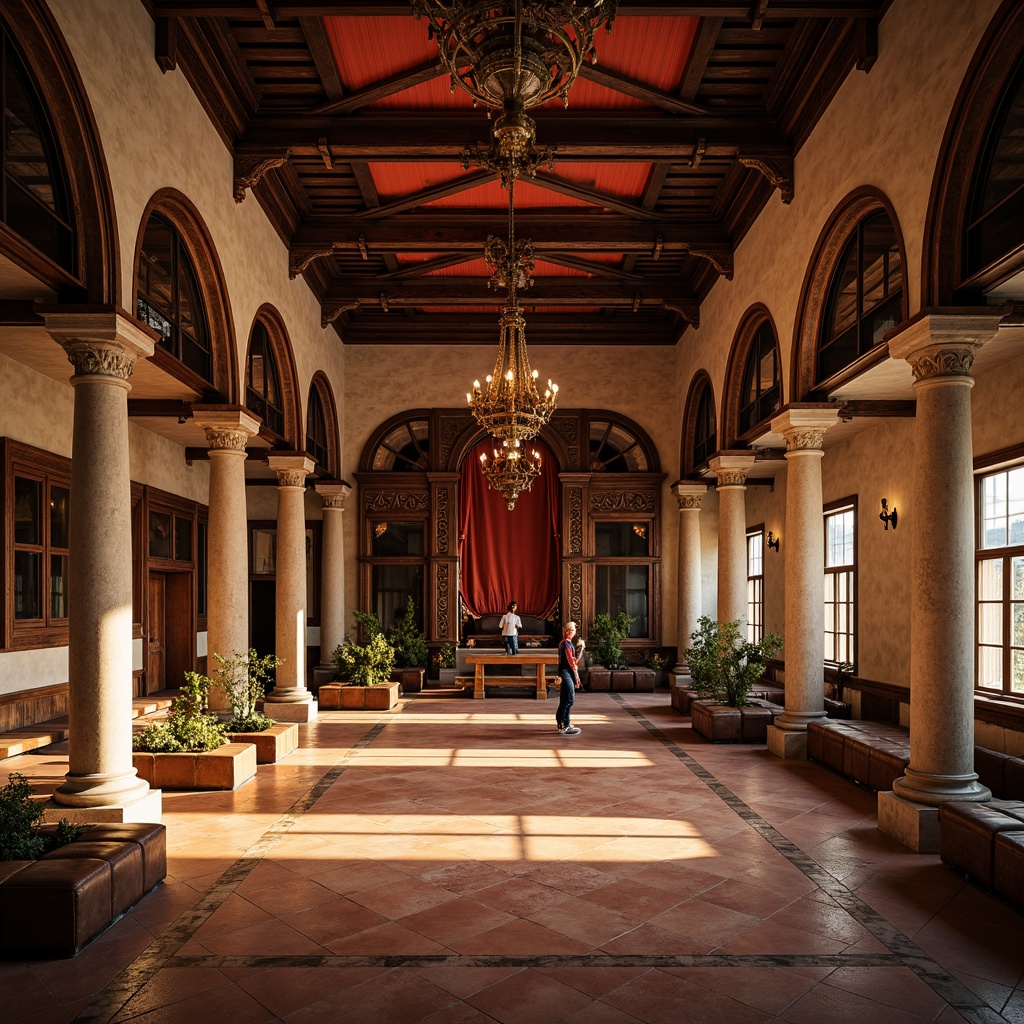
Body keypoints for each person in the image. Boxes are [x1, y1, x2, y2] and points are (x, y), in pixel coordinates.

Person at [556, 621, 582, 735]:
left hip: (565, 672)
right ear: (567, 631)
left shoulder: (565, 643)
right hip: (566, 672)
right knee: (569, 698)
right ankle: (564, 724)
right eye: (570, 630)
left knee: (564, 699)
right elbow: (572, 662)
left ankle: (563, 722)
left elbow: (573, 659)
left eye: (572, 630)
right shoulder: (566, 644)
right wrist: (576, 675)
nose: (571, 632)